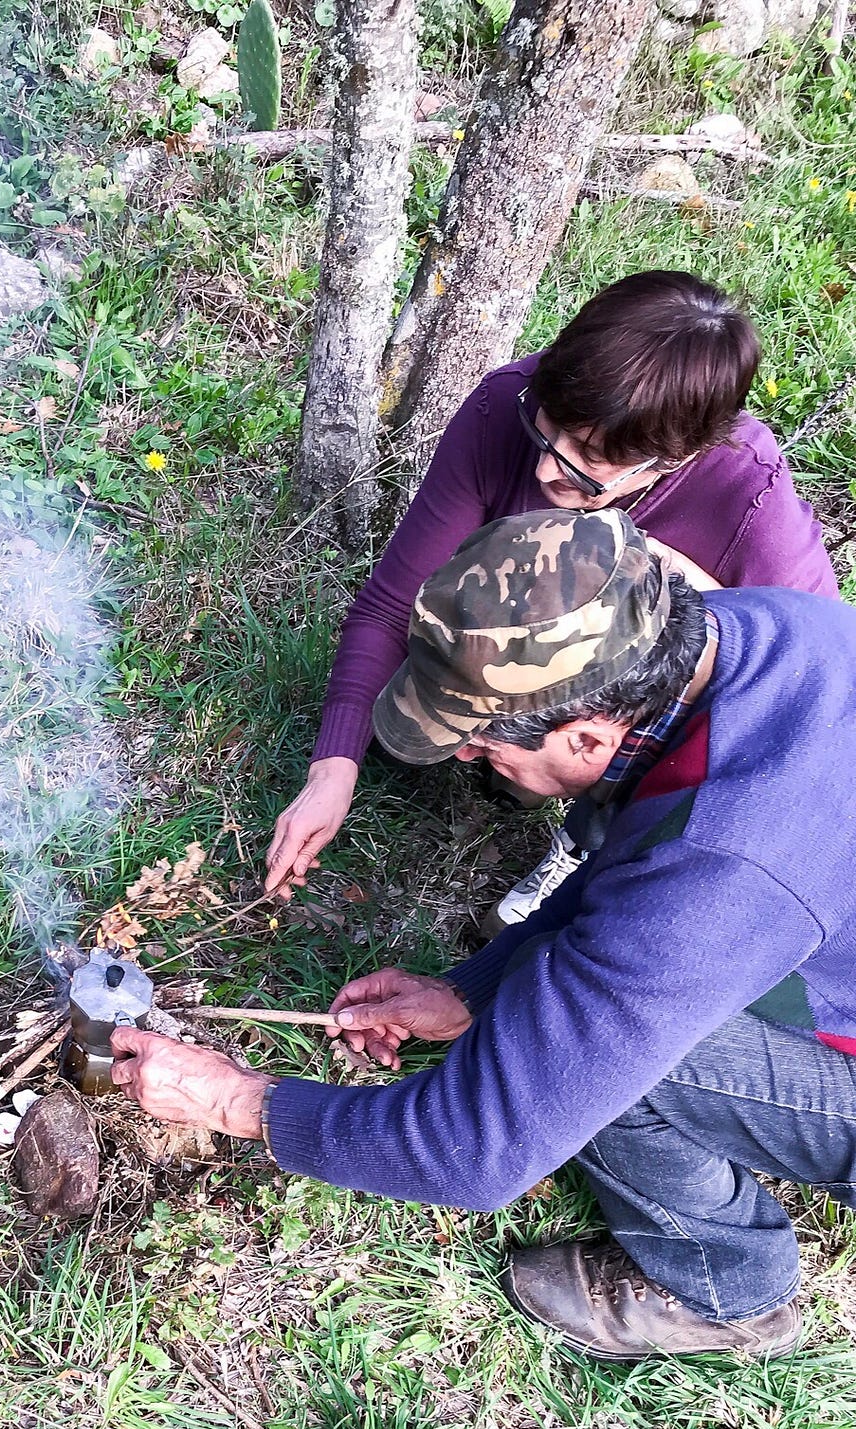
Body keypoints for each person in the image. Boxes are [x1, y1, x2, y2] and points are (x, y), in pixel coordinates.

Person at [115, 509, 856, 1364]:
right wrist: (470, 991)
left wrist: (235, 1101)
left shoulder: (726, 858)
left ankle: (729, 1290)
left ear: (587, 734)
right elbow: (640, 868)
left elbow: (476, 1150)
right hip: (789, 902)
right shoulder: (740, 637)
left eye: (479, 741)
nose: (467, 758)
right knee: (566, 993)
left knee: (615, 1061)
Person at [265, 272, 838, 925]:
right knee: (424, 741)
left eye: (585, 460)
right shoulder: (505, 405)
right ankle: (515, 763)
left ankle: (592, 839)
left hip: (644, 727)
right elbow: (391, 605)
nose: (543, 469)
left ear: (673, 460)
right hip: (536, 700)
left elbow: (802, 687)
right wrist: (333, 768)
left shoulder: (747, 502)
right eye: (547, 428)